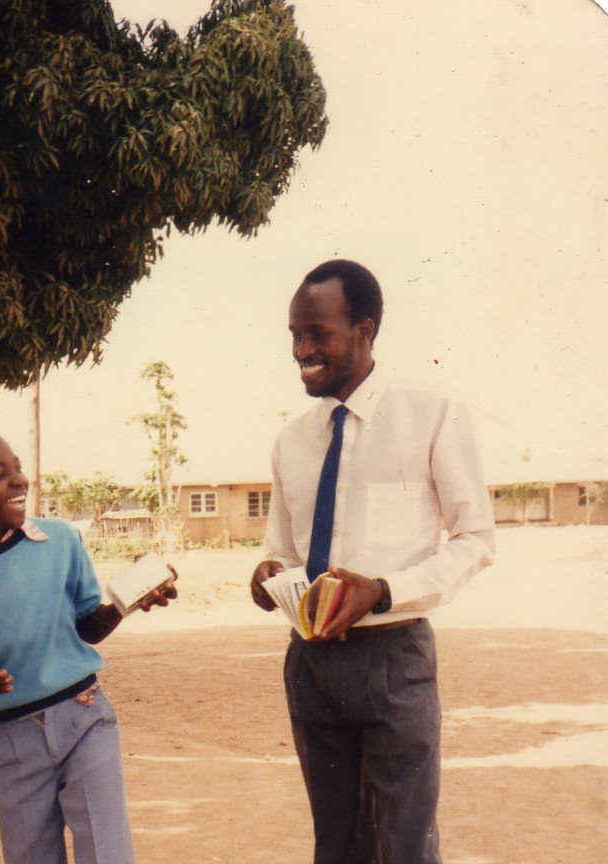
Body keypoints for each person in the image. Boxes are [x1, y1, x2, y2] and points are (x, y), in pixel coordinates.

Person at [249, 259, 495, 864]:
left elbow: (475, 539)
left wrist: (382, 590)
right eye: (295, 335)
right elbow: (283, 551)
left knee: (405, 845)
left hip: (392, 658)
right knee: (336, 846)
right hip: (311, 665)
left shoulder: (431, 415)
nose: (302, 350)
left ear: (365, 330)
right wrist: (269, 575)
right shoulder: (292, 440)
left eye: (318, 334)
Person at [0, 424, 177, 864]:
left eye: (17, 468)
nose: (19, 480)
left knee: (107, 851)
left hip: (85, 714)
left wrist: (127, 602)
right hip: (14, 737)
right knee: (29, 855)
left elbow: (88, 627)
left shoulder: (61, 541)